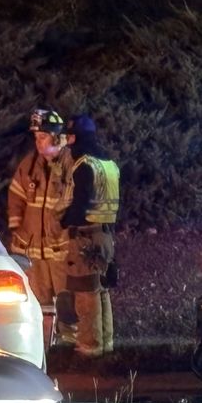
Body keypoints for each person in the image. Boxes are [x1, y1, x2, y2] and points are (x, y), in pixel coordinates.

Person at [8, 108, 77, 346]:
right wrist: (17, 227)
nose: (37, 143)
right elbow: (16, 195)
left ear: (57, 138)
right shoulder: (30, 164)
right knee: (37, 300)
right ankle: (42, 345)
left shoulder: (72, 164)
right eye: (36, 138)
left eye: (42, 138)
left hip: (61, 248)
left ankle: (70, 344)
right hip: (32, 247)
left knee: (68, 298)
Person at [62, 114, 120, 358]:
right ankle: (105, 344)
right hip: (106, 234)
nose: (68, 142)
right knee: (102, 290)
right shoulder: (108, 163)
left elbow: (81, 203)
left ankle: (89, 347)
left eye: (71, 136)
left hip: (86, 235)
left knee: (86, 292)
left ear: (79, 138)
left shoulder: (84, 164)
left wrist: (65, 220)